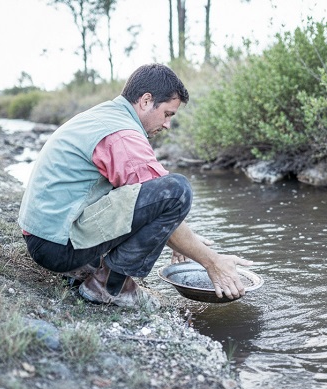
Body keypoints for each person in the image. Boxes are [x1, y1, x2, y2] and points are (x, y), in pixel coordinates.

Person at [18, 63, 252, 309]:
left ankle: (87, 270)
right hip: (57, 247)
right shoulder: (123, 135)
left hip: (43, 237)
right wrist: (213, 262)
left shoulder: (107, 115)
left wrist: (184, 236)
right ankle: (110, 286)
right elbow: (164, 197)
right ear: (146, 100)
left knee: (161, 193)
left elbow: (144, 200)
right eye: (168, 114)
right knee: (177, 189)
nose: (167, 124)